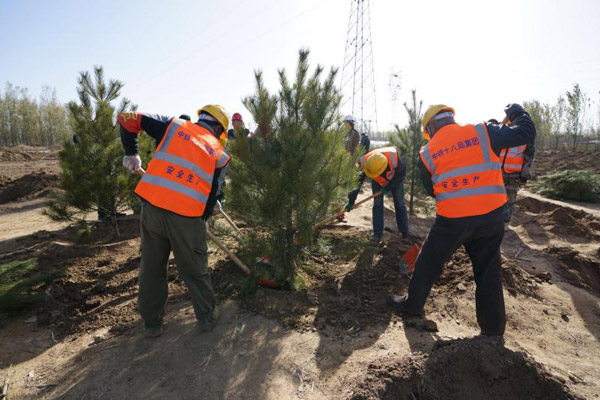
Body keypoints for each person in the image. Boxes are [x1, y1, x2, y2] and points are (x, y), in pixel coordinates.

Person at [387, 104, 536, 337]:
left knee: (428, 262)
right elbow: (526, 132)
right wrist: (517, 112)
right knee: (488, 273)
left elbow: (431, 189)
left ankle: (412, 306)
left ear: (430, 128)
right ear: (450, 119)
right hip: (491, 217)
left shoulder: (426, 153)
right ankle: (493, 333)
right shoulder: (483, 132)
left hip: (452, 220)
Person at [118, 105, 230, 338]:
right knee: (194, 269)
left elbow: (127, 118)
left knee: (152, 267)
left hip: (152, 209)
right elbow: (213, 194)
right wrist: (204, 219)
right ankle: (207, 318)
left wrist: (131, 151)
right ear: (219, 129)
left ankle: (152, 324)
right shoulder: (219, 153)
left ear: (202, 118)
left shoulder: (174, 126)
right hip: (187, 218)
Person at [346, 146, 409, 243]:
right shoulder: (365, 163)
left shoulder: (394, 159)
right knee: (377, 204)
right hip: (377, 182)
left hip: (395, 179)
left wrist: (388, 187)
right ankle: (377, 234)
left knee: (399, 203)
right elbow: (357, 183)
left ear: (383, 168)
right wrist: (351, 201)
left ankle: (404, 232)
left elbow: (401, 174)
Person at [488, 119, 536, 229]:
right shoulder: (502, 133)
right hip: (496, 173)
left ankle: (504, 225)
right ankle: (492, 223)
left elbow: (529, 157)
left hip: (513, 175)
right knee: (493, 200)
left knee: (509, 201)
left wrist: (524, 175)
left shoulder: (525, 137)